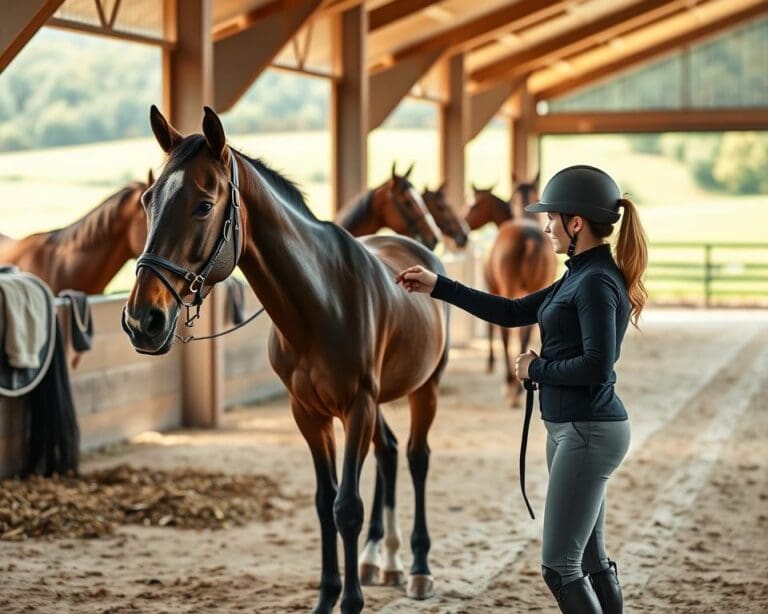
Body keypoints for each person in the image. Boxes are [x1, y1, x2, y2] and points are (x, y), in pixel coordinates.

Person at [395, 165, 648, 614]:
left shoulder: (594, 282)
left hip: (587, 431)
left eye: (551, 218)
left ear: (576, 223)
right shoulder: (578, 274)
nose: (545, 227)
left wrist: (537, 368)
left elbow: (598, 365)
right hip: (573, 429)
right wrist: (439, 287)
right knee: (589, 560)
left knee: (559, 567)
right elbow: (513, 311)